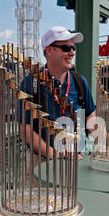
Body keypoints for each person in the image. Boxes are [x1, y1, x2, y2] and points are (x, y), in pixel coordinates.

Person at [21, 26, 96, 159]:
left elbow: (91, 119)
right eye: (66, 48)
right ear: (49, 51)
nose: (72, 53)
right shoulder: (31, 83)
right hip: (43, 162)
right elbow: (24, 129)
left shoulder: (80, 81)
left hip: (77, 159)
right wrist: (54, 154)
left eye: (73, 48)